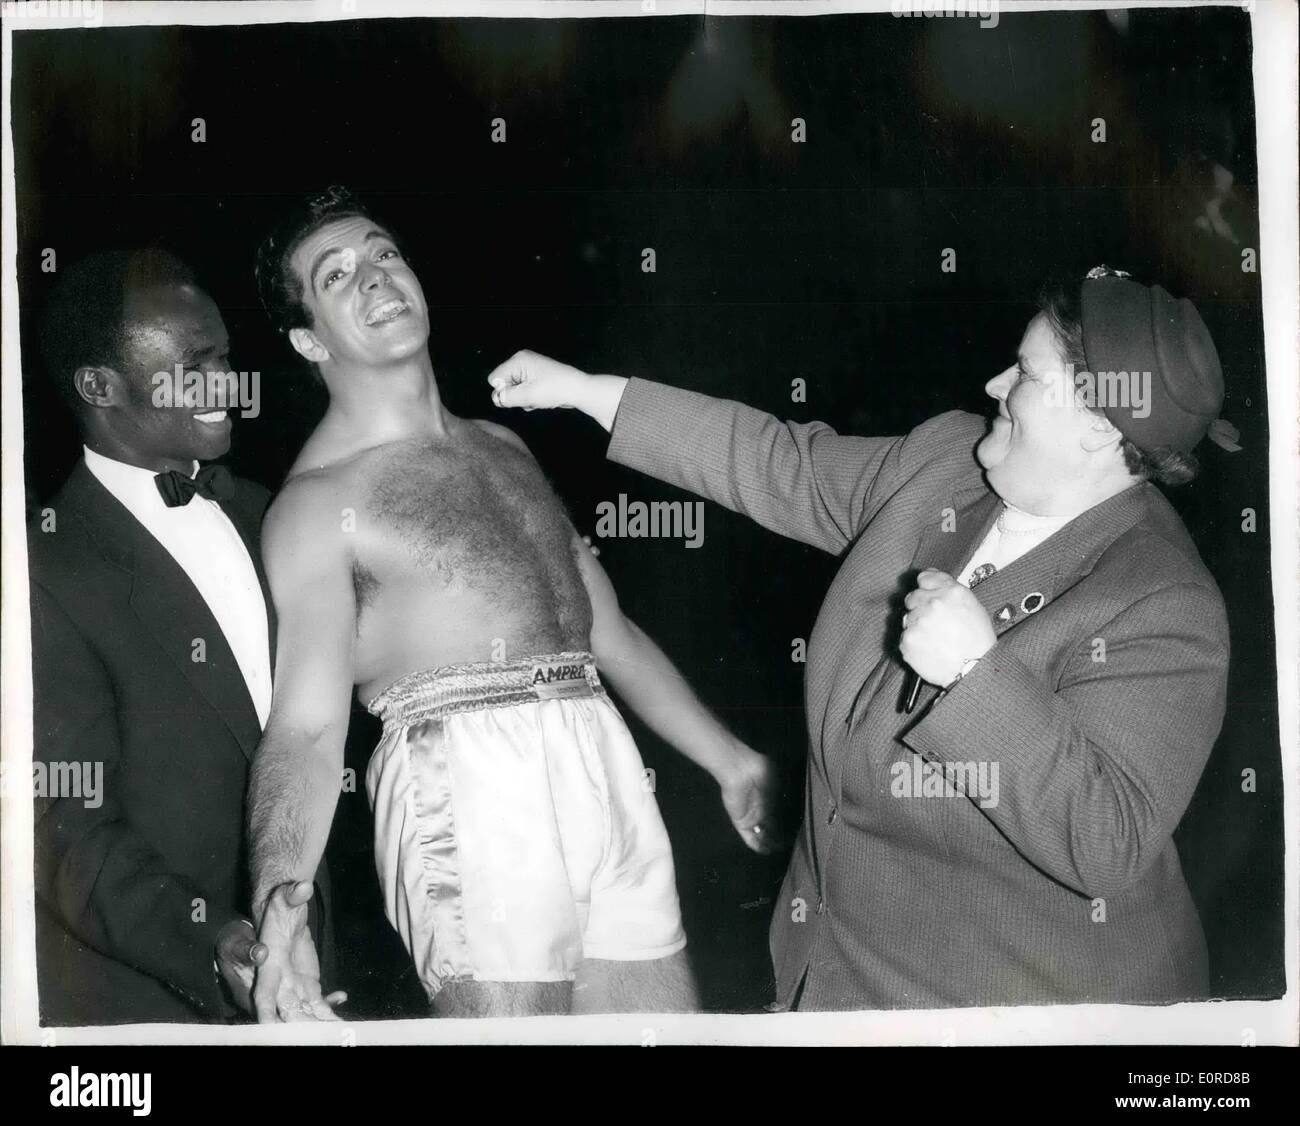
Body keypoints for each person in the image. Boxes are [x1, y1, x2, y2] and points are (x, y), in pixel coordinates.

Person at [487, 265, 1241, 1010]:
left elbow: (1107, 839)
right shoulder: (948, 465)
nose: (994, 386)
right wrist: (590, 392)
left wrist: (976, 675)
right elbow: (782, 464)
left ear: (1101, 424)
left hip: (1019, 1008)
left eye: (1026, 373)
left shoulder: (1160, 602)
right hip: (838, 980)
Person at [247, 187, 775, 1021]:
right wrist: (282, 900)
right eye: (336, 274)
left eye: (385, 253)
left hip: (600, 753)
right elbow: (306, 730)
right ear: (307, 337)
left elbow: (605, 631)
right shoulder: (315, 503)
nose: (376, 278)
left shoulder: (504, 446)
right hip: (465, 777)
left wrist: (730, 761)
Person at [26, 250, 331, 1024]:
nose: (230, 386)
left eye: (226, 358)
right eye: (194, 368)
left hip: (321, 970)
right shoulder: (43, 568)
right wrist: (218, 943)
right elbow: (67, 833)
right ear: (99, 387)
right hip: (164, 1002)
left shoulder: (274, 512)